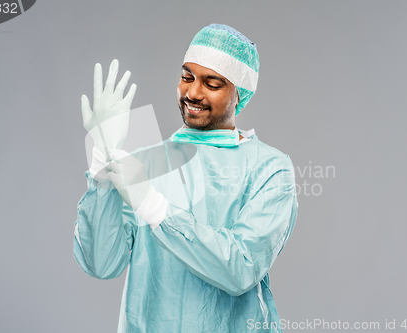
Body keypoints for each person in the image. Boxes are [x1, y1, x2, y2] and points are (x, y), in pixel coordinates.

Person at [74, 23, 298, 333]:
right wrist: (102, 165)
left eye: (212, 83)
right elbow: (101, 263)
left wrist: (154, 207)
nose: (192, 92)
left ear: (239, 93)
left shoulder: (270, 168)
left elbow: (241, 269)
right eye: (187, 77)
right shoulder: (146, 163)